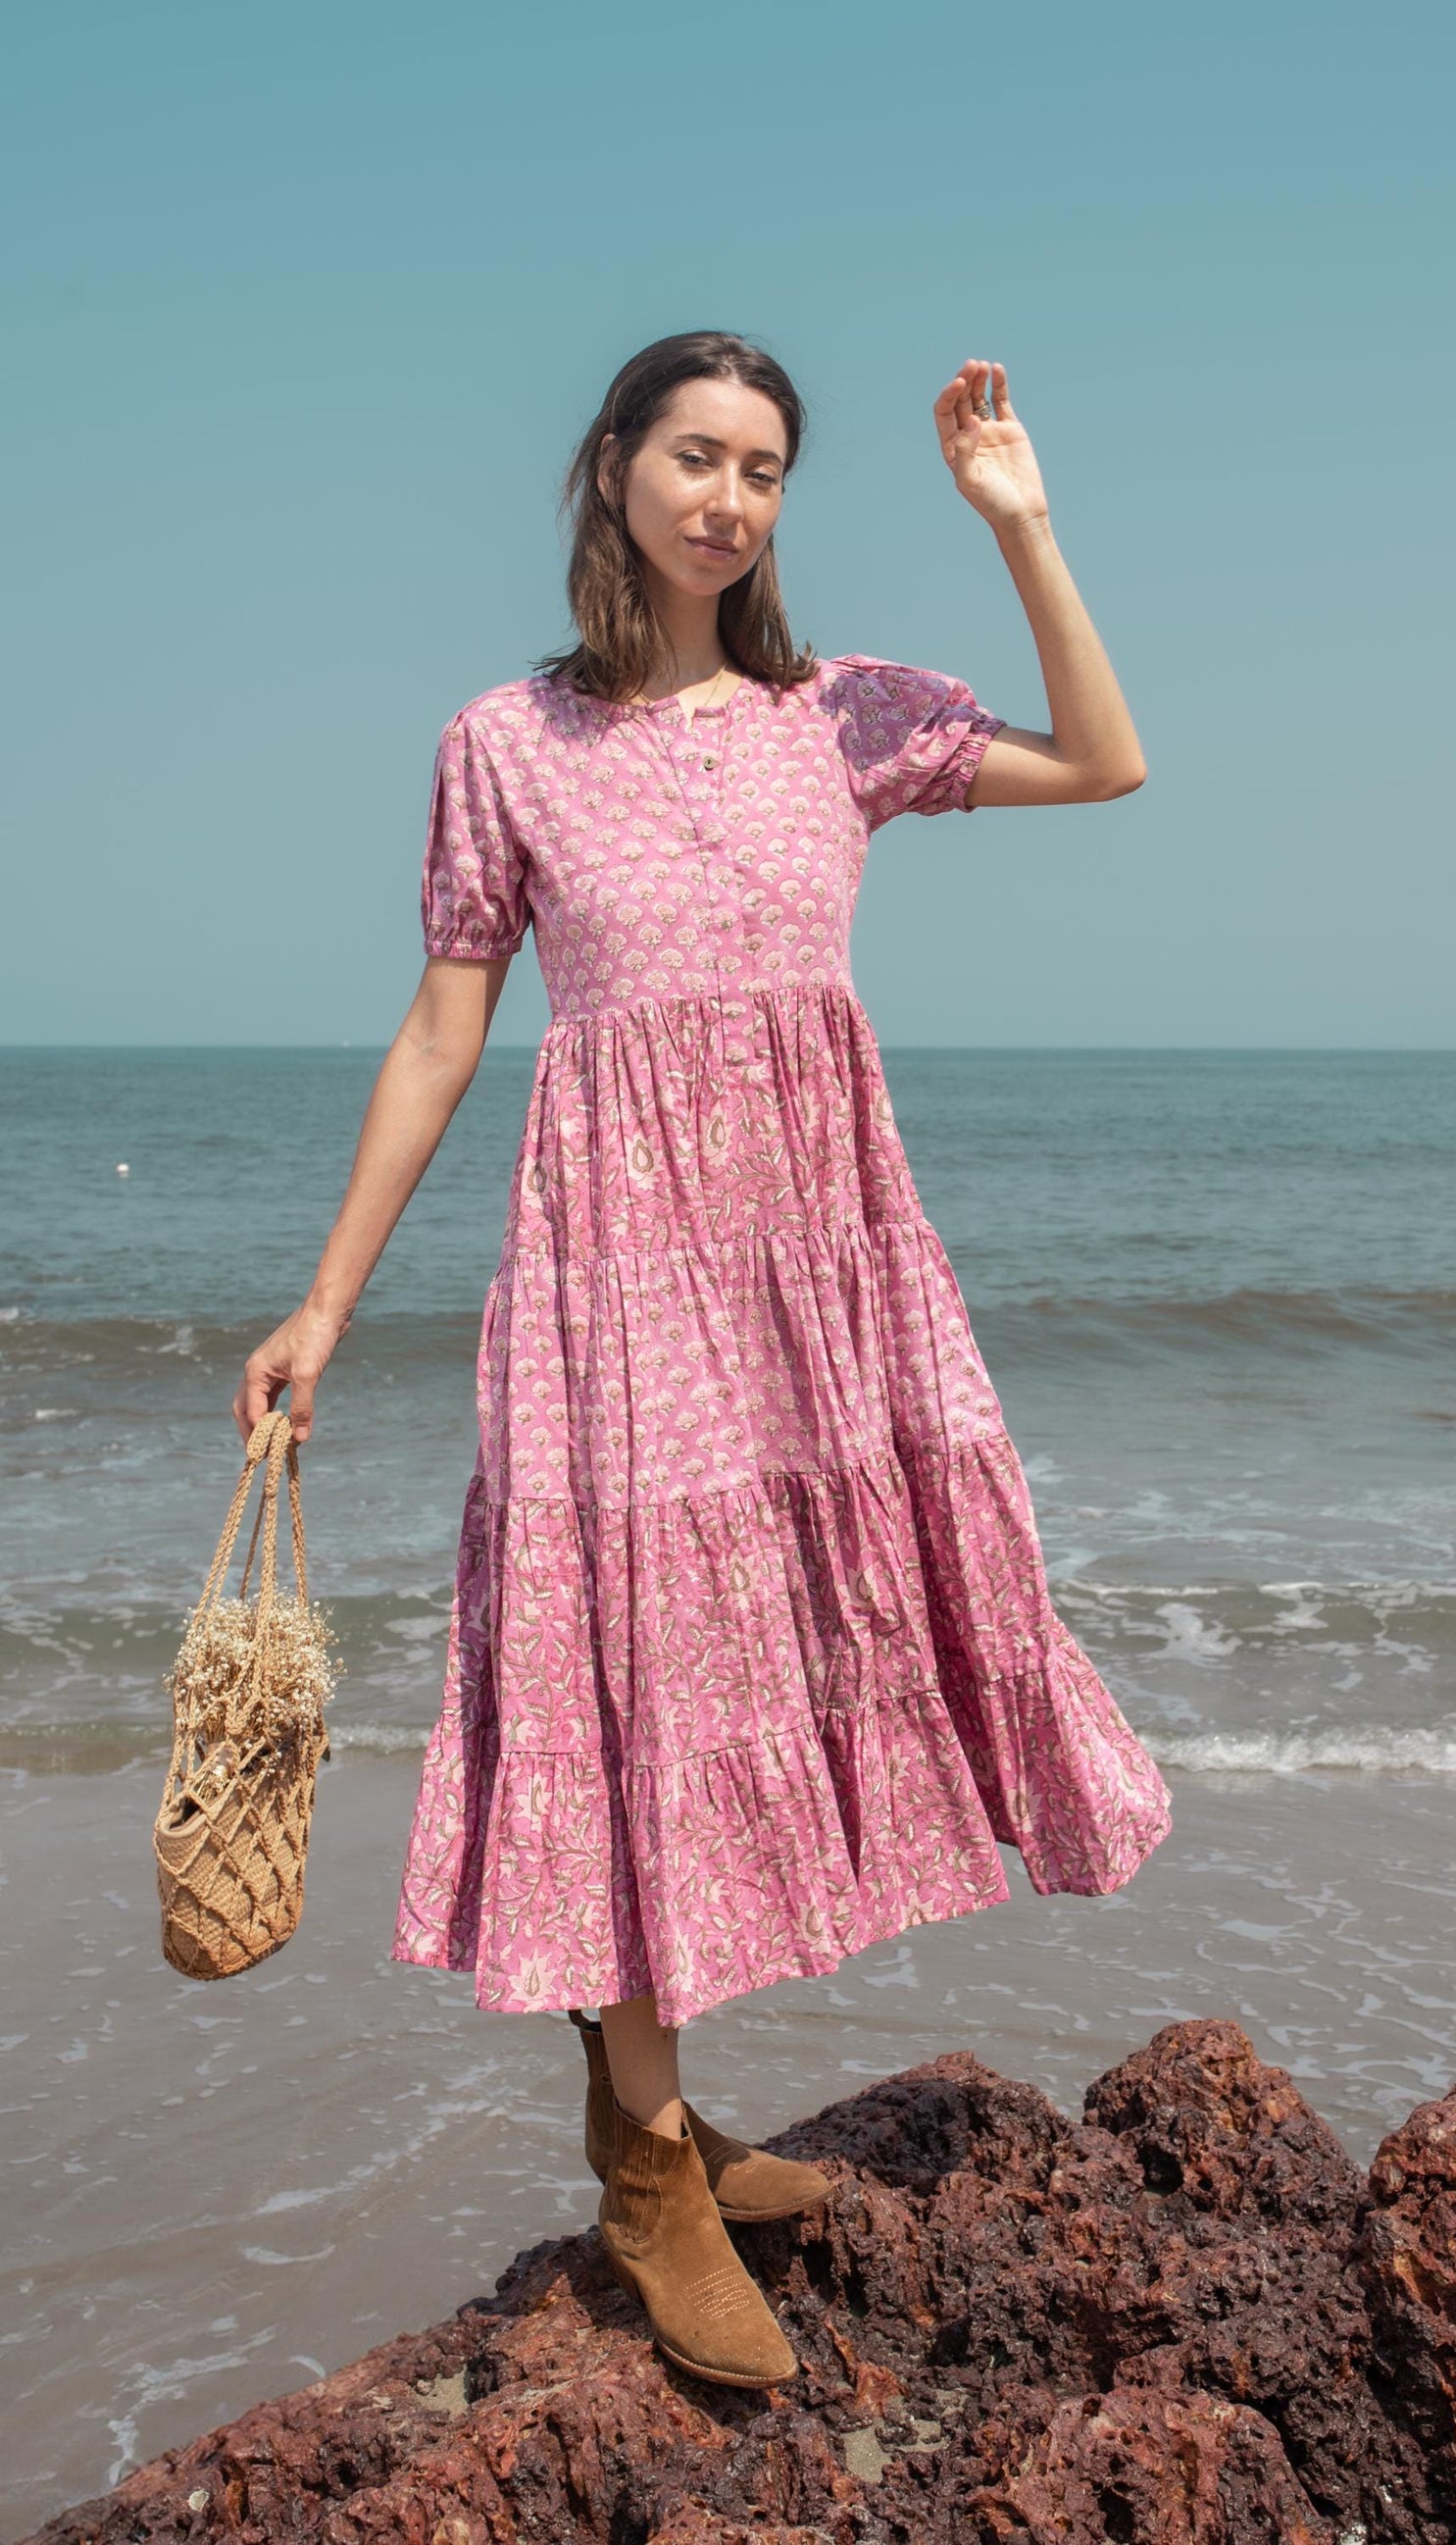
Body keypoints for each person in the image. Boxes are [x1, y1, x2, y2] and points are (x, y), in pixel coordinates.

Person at [234, 331, 1172, 2389]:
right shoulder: (505, 740)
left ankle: (649, 2113)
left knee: (801, 1635)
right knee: (633, 1665)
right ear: (614, 468)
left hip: (819, 1251)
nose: (727, 498)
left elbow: (1105, 759)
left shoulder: (840, 714)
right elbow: (445, 1028)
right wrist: (325, 1300)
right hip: (621, 1263)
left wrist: (1021, 528)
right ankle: (650, 2163)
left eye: (761, 468)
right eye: (694, 455)